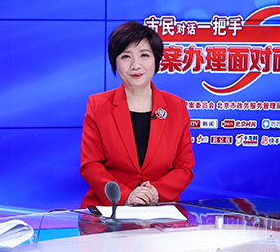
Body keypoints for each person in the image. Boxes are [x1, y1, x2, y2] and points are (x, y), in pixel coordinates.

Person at [80, 21, 195, 208]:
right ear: (115, 62)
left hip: (160, 209)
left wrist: (155, 193)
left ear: (156, 60)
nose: (135, 65)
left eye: (144, 55)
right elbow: (90, 164)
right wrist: (126, 196)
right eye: (126, 56)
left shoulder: (176, 107)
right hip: (110, 209)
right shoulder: (98, 105)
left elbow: (184, 167)